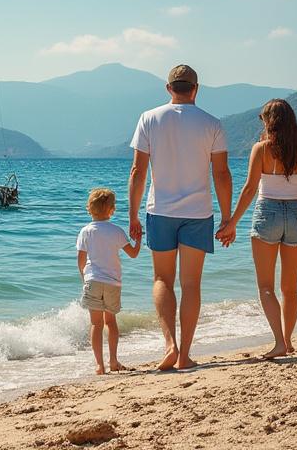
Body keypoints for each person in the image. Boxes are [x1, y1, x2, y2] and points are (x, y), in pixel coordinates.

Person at [128, 64, 233, 371]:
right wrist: (227, 217)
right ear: (196, 88)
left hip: (159, 210)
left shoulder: (149, 118)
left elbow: (138, 171)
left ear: (168, 88)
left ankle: (169, 345)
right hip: (199, 213)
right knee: (191, 284)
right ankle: (185, 354)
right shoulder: (212, 124)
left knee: (162, 279)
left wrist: (132, 214)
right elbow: (222, 174)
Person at [218, 99, 297, 358]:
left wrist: (232, 222)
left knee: (266, 286)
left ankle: (279, 343)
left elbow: (250, 189)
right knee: (291, 288)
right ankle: (287, 340)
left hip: (268, 214)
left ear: (269, 121)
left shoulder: (261, 149)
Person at [76, 187, 141, 374]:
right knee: (110, 322)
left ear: (89, 208)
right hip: (113, 282)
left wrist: (84, 277)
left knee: (95, 324)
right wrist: (138, 239)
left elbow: (81, 260)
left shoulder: (85, 231)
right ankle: (113, 361)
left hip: (92, 281)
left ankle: (99, 365)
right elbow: (134, 254)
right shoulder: (116, 231)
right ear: (112, 210)